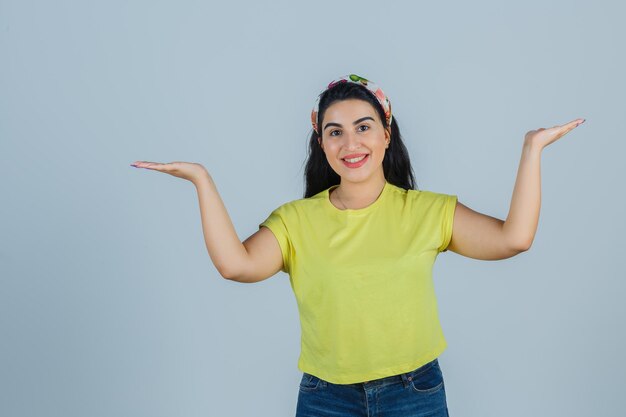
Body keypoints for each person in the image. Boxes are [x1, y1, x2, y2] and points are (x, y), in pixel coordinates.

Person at [130, 73, 585, 416]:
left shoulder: (426, 211)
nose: (351, 142)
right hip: (325, 398)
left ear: (387, 134)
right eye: (335, 131)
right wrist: (201, 181)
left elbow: (513, 238)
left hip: (415, 394)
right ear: (322, 144)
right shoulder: (295, 221)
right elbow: (236, 265)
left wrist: (532, 150)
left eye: (363, 127)